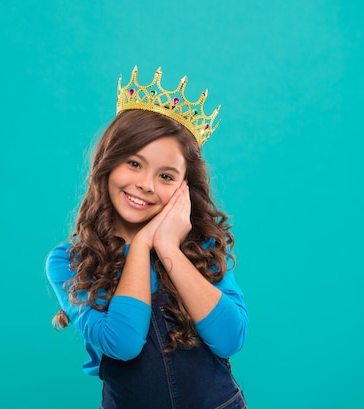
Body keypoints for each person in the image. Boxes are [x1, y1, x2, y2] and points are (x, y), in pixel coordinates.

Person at [46, 66, 248, 409]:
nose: (146, 184)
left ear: (185, 188)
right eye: (134, 164)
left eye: (166, 175)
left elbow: (230, 339)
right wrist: (141, 245)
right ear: (107, 164)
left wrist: (168, 247)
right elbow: (122, 343)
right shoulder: (70, 261)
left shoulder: (201, 247)